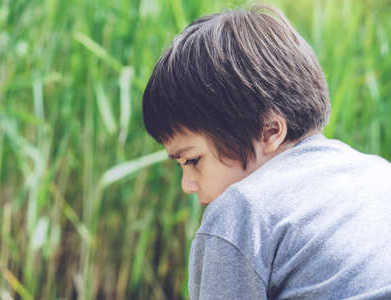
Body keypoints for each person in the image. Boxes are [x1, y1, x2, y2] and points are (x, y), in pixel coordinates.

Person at [142, 3, 391, 300]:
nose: (187, 184)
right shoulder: (379, 173)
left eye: (193, 160)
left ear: (270, 131)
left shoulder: (242, 211)